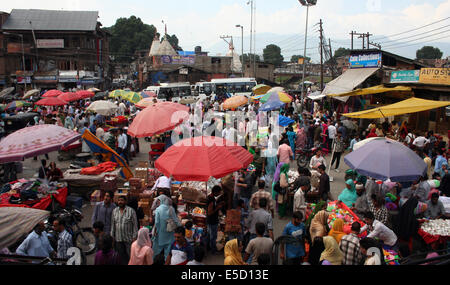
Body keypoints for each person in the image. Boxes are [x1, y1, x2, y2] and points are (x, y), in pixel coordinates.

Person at [110, 196, 138, 265]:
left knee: (130, 256)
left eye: (122, 200)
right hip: (118, 239)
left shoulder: (131, 211)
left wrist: (134, 238)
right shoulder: (114, 211)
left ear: (125, 202)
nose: (120, 202)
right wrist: (112, 237)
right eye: (119, 200)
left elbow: (135, 225)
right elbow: (113, 225)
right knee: (120, 258)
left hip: (129, 240)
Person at [153, 194, 181, 260]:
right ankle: (166, 262)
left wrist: (155, 231)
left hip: (160, 234)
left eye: (159, 201)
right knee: (168, 252)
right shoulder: (171, 209)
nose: (158, 202)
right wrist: (181, 226)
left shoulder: (158, 209)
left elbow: (157, 222)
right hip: (170, 233)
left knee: (156, 251)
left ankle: (154, 262)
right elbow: (176, 220)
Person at [207, 185, 225, 255]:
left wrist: (218, 204)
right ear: (215, 192)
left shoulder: (211, 198)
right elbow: (210, 212)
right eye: (219, 192)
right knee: (213, 236)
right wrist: (218, 207)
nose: (220, 193)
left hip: (211, 220)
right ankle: (213, 250)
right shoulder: (211, 200)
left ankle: (209, 248)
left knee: (211, 235)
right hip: (212, 220)